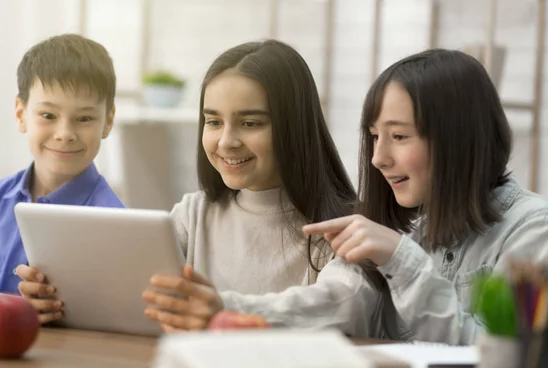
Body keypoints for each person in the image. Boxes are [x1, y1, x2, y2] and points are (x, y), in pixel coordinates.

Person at [142, 39, 386, 336]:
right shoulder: (193, 215)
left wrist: (226, 312)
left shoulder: (347, 227)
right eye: (214, 121)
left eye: (249, 123)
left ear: (294, 127)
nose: (226, 141)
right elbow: (132, 286)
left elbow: (344, 304)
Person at [304, 49, 548, 344]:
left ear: (458, 139)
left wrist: (402, 260)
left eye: (399, 136)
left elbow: (499, 353)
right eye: (374, 136)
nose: (377, 159)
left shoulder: (533, 229)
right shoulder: (409, 229)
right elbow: (328, 302)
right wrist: (239, 309)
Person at [0, 33, 125, 323]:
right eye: (48, 115)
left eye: (84, 118)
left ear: (107, 121)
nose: (65, 133)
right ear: (21, 114)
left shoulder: (117, 226)